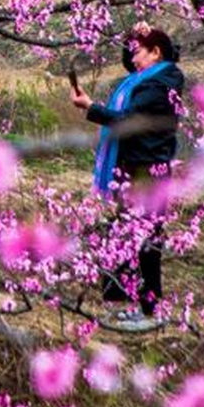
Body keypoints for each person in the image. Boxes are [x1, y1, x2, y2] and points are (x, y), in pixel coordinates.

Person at [69, 26, 182, 333]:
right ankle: (134, 304)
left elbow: (129, 122)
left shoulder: (159, 85)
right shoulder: (148, 78)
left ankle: (151, 310)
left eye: (138, 51)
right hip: (131, 168)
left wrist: (92, 109)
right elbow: (131, 60)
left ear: (156, 53)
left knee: (147, 241)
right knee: (129, 235)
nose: (132, 59)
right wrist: (131, 35)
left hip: (147, 171)